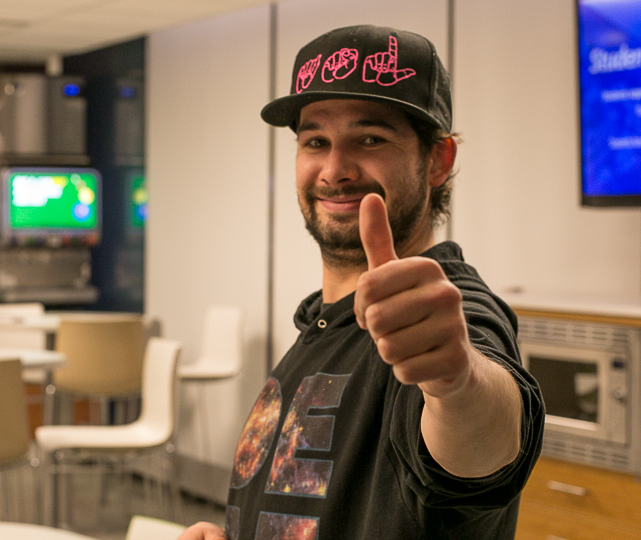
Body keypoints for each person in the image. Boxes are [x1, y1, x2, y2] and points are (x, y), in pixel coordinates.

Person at [179, 25, 544, 540]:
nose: (334, 170)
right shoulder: (321, 326)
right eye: (315, 141)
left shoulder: (442, 320)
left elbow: (485, 444)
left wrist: (457, 382)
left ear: (437, 161)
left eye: (370, 139)